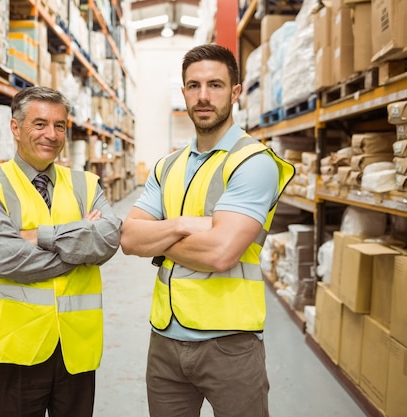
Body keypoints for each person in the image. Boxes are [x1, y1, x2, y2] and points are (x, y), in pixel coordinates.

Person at [120, 44, 295, 417]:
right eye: (194, 85)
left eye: (215, 85)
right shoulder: (167, 166)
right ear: (183, 92)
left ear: (235, 92)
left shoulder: (253, 162)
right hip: (165, 341)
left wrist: (160, 238)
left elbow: (220, 253)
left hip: (229, 344)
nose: (203, 96)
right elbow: (129, 238)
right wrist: (184, 224)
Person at [0, 86, 122, 417]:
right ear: (15, 128)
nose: (51, 134)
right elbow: (6, 259)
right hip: (14, 348)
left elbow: (107, 239)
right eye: (40, 124)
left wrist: (41, 236)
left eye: (60, 125)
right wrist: (80, 246)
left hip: (76, 348)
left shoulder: (86, 184)